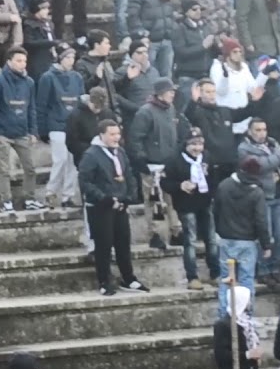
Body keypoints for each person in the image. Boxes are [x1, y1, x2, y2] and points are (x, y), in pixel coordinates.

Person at [78, 119, 149, 295]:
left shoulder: (120, 152)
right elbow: (85, 182)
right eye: (112, 134)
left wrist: (129, 196)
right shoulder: (91, 155)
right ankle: (104, 281)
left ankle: (129, 278)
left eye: (118, 134)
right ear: (102, 135)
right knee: (103, 245)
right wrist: (105, 198)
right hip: (100, 207)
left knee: (123, 242)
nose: (116, 137)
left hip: (120, 205)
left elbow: (128, 174)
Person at [128, 77, 187, 250]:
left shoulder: (171, 109)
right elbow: (135, 138)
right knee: (155, 202)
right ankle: (156, 234)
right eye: (170, 91)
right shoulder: (145, 112)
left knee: (172, 200)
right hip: (152, 165)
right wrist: (142, 160)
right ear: (160, 93)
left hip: (169, 165)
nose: (173, 94)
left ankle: (176, 231)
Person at [238, 116, 280, 289]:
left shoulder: (272, 144)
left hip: (279, 196)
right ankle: (263, 270)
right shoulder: (244, 149)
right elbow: (260, 166)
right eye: (258, 130)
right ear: (250, 131)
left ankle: (274, 268)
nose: (262, 133)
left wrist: (279, 156)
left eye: (264, 130)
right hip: (261, 197)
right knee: (265, 237)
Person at [0, 46, 44, 212]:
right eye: (19, 61)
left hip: (22, 132)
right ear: (9, 62)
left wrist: (33, 131)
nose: (22, 64)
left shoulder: (29, 82)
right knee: (4, 170)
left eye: (24, 61)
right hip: (2, 133)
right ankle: (6, 202)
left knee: (30, 168)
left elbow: (31, 108)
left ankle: (30, 199)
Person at [162, 128, 219, 290]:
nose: (197, 148)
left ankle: (215, 273)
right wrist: (180, 185)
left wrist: (212, 195)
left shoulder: (207, 157)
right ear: (186, 145)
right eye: (193, 144)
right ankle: (192, 277)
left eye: (200, 144)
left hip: (205, 202)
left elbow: (214, 179)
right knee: (190, 241)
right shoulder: (174, 160)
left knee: (211, 239)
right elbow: (165, 183)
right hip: (186, 205)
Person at [214, 157, 272, 317]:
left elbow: (215, 211)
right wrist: (266, 245)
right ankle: (246, 315)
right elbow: (261, 221)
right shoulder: (257, 192)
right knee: (247, 280)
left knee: (226, 280)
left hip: (225, 240)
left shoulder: (224, 186)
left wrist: (219, 231)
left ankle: (224, 316)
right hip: (247, 242)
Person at [35, 43, 83, 209]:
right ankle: (51, 192)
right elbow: (41, 104)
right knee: (60, 160)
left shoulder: (77, 77)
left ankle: (68, 195)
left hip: (74, 126)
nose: (71, 61)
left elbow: (81, 101)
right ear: (59, 58)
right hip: (56, 124)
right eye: (67, 57)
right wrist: (42, 129)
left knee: (73, 162)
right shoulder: (47, 77)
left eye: (73, 57)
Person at [213, 284, 262, 369]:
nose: (250, 302)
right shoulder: (223, 325)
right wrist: (247, 355)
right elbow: (221, 354)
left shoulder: (246, 323)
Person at [127, 0, 177, 78]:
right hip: (150, 41)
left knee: (166, 75)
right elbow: (133, 15)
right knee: (150, 74)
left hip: (166, 38)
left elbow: (169, 11)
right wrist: (141, 34)